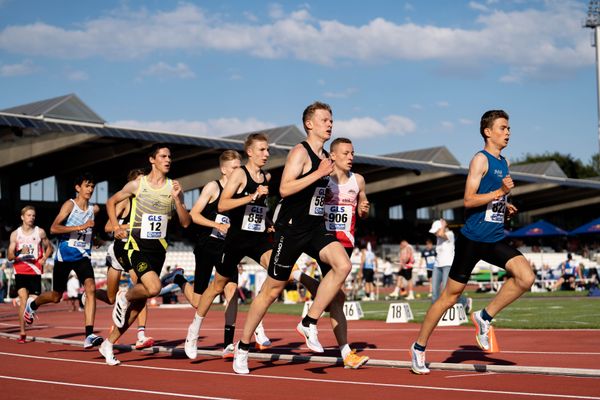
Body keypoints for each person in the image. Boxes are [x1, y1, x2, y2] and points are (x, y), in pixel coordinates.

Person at [233, 101, 367, 374]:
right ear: (309, 124)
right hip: (292, 229)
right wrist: (317, 174)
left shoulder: (327, 159)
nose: (330, 124)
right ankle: (243, 346)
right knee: (271, 291)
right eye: (325, 120)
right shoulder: (300, 152)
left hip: (316, 227)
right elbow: (283, 189)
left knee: (343, 265)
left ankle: (309, 321)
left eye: (331, 120)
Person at [410, 109, 535, 374]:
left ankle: (484, 316)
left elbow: (492, 198)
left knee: (526, 277)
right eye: (503, 128)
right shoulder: (480, 160)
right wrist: (500, 191)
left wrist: (506, 203)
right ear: (488, 132)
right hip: (472, 240)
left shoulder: (505, 162)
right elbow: (468, 200)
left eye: (509, 128)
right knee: (448, 298)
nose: (508, 132)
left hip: (495, 238)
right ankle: (419, 348)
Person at [99, 143, 191, 366]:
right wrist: (116, 225)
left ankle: (108, 343)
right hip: (135, 245)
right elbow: (110, 202)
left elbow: (186, 223)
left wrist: (178, 200)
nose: (168, 160)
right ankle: (125, 295)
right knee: (154, 288)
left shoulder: (173, 187)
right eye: (163, 156)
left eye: (170, 156)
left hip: (158, 249)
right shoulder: (137, 184)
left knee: (140, 305)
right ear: (152, 160)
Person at [184, 134, 274, 360]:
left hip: (255, 238)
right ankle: (193, 331)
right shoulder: (231, 179)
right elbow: (222, 205)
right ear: (250, 152)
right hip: (225, 242)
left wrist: (269, 222)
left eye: (268, 150)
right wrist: (251, 197)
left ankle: (255, 328)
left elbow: (259, 209)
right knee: (216, 288)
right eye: (262, 150)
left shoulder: (264, 177)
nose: (267, 154)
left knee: (277, 271)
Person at [22, 173, 103, 349]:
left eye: (92, 186)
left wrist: (95, 240)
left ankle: (89, 334)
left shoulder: (93, 209)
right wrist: (80, 227)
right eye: (87, 185)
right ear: (78, 187)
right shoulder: (70, 205)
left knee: (90, 288)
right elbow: (54, 228)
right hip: (65, 256)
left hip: (83, 256)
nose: (90, 189)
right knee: (56, 296)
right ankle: (32, 304)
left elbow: (87, 233)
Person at [89, 168, 155, 350]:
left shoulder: (147, 204)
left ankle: (141, 334)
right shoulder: (125, 201)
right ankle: (91, 293)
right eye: (140, 182)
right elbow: (108, 226)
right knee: (111, 298)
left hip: (135, 251)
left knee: (143, 290)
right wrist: (126, 226)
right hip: (119, 251)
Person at [8, 205, 53, 343]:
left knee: (33, 299)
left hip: (35, 269)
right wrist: (19, 252)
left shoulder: (40, 232)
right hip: (20, 269)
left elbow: (49, 247)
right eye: (28, 215)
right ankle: (22, 333)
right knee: (23, 299)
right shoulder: (16, 234)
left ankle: (30, 309)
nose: (31, 218)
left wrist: (45, 257)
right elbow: (10, 256)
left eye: (33, 215)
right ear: (22, 217)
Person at [429, 219, 472, 312]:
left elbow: (441, 234)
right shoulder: (438, 236)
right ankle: (435, 312)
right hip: (437, 265)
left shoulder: (450, 234)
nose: (435, 233)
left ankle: (465, 301)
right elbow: (439, 235)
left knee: (447, 290)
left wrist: (443, 226)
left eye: (436, 230)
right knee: (434, 291)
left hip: (447, 265)